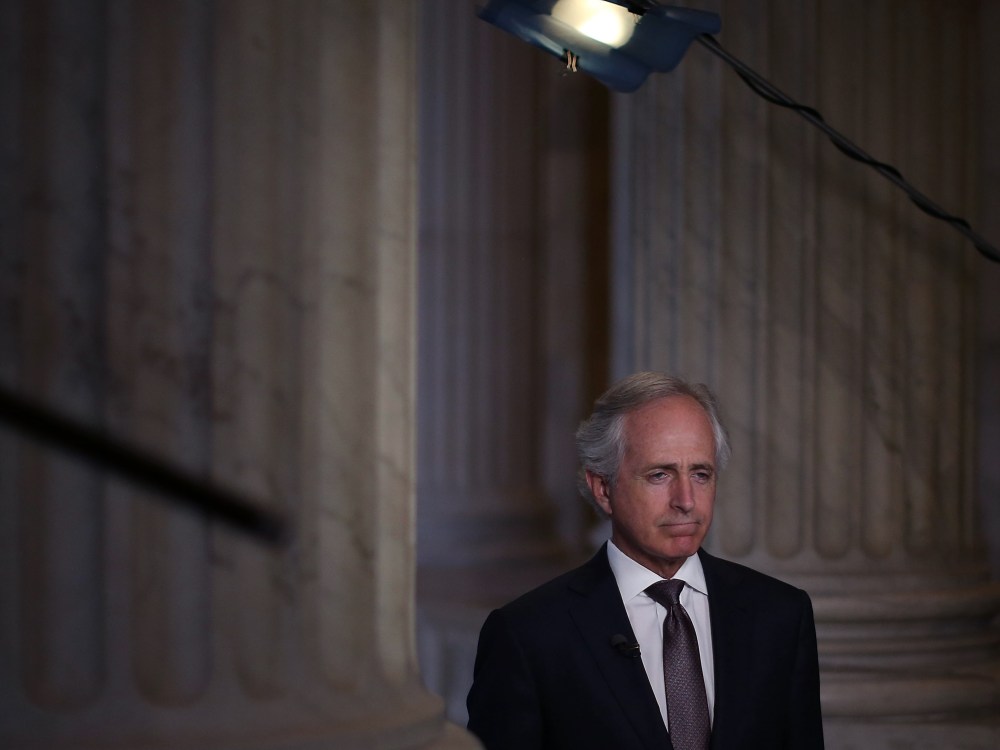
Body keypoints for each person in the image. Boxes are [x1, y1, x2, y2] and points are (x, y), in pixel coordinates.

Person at [466, 372, 824, 750]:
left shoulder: (781, 615)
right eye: (659, 475)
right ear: (603, 489)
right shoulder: (529, 634)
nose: (686, 500)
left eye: (701, 474)